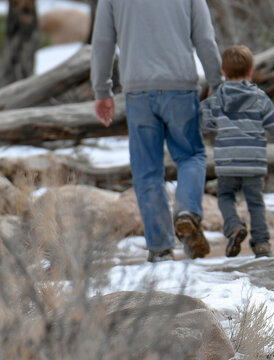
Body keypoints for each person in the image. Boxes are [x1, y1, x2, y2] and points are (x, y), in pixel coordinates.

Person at [91, 0, 223, 262]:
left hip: (137, 91)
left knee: (146, 170)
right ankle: (187, 211)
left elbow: (102, 42)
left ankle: (160, 247)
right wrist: (217, 83)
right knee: (191, 156)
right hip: (180, 87)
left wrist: (101, 90)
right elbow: (205, 39)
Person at [200, 45, 274, 258]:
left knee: (226, 196)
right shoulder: (259, 97)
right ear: (250, 71)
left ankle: (233, 226)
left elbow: (203, 122)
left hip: (227, 161)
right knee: (255, 201)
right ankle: (261, 243)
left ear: (223, 72)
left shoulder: (218, 97)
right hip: (254, 161)